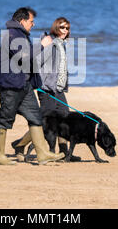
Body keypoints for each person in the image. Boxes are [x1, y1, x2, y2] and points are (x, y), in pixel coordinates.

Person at [0, 7, 65, 165]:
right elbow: (24, 57)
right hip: (11, 86)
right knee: (5, 118)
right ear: (22, 21)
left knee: (36, 117)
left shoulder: (21, 35)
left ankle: (43, 154)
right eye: (31, 21)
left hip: (24, 85)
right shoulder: (12, 35)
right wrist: (42, 45)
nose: (33, 24)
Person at [11, 17, 81, 161]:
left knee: (64, 117)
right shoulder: (50, 43)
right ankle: (20, 144)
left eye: (67, 28)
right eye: (62, 27)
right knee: (45, 122)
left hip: (58, 89)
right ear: (56, 27)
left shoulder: (61, 44)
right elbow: (36, 62)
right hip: (47, 89)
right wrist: (38, 83)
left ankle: (64, 153)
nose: (65, 31)